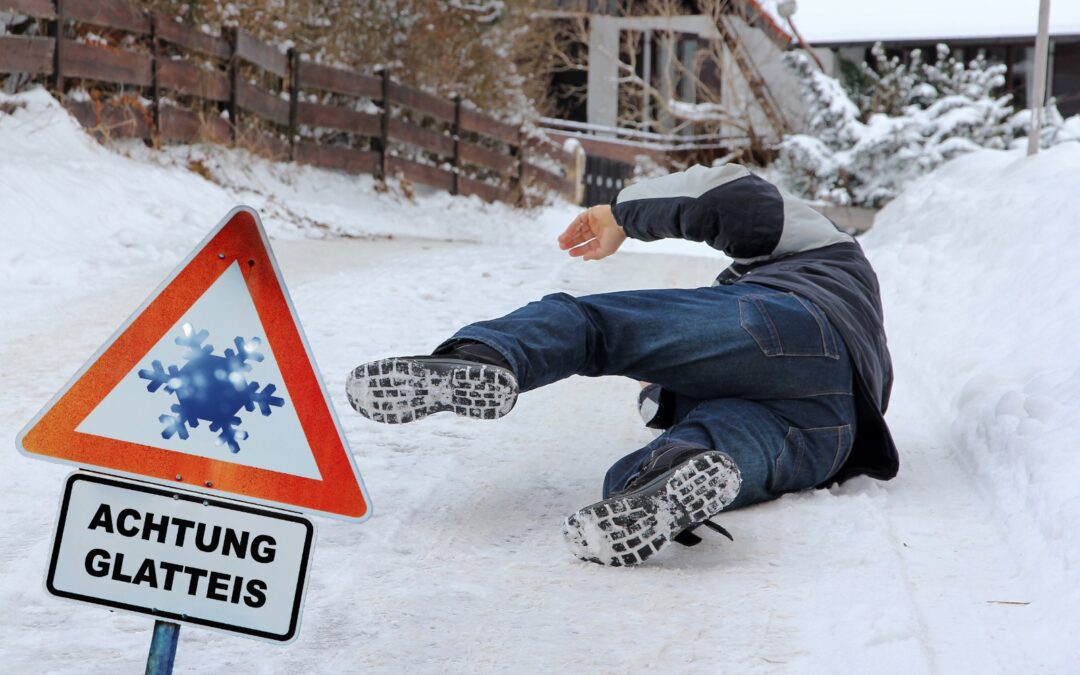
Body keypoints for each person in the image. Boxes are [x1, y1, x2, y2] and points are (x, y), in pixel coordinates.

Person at [346, 163, 897, 567]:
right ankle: (662, 482)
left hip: (797, 325)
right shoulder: (869, 343)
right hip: (835, 431)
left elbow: (734, 197)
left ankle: (486, 356)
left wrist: (619, 215)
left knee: (594, 327)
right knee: (695, 447)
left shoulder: (826, 251)